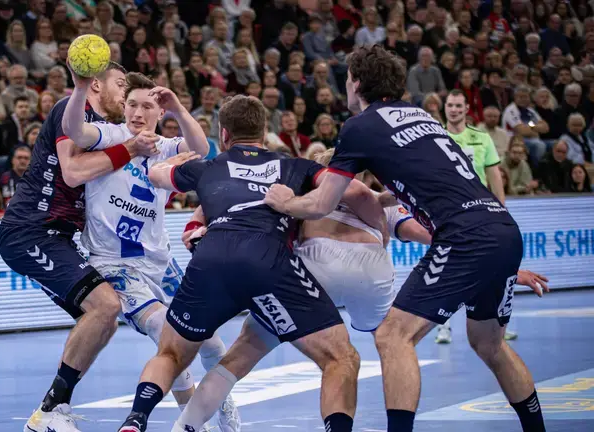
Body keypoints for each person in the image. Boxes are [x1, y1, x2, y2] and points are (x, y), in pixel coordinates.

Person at [263, 45, 547, 432]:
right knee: (489, 344)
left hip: (465, 237)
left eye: (347, 80)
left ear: (356, 83)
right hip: (502, 229)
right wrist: (382, 197)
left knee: (393, 336)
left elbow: (320, 204)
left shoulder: (360, 126)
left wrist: (285, 202)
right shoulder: (423, 118)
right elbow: (428, 180)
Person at [174, 151, 550, 432]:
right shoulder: (374, 202)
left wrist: (202, 230)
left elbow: (243, 218)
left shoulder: (298, 195)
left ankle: (186, 425)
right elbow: (434, 237)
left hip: (315, 264)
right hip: (371, 270)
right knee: (394, 341)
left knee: (247, 349)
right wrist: (504, 268)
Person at [116, 95, 377, 432]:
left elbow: (156, 175)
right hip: (268, 264)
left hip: (211, 261)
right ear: (264, 131)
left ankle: (135, 420)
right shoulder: (295, 167)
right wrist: (381, 224)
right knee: (341, 357)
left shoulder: (208, 168)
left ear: (224, 134)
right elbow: (355, 192)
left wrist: (172, 165)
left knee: (170, 354)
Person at [70, 72, 239, 431]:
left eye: (148, 106)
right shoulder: (110, 136)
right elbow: (74, 131)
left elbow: (203, 148)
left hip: (160, 263)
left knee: (209, 340)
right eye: (132, 104)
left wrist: (177, 107)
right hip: (114, 264)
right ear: (124, 107)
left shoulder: (165, 145)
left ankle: (225, 403)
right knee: (166, 331)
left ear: (159, 113)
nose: (138, 112)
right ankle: (195, 420)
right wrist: (80, 87)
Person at [0, 61, 160, 432]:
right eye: (121, 84)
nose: (126, 94)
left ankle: (52, 411)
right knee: (104, 306)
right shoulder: (71, 110)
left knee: (103, 321)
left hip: (59, 236)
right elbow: (72, 172)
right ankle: (50, 411)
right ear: (97, 85)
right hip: (30, 231)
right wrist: (132, 148)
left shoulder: (107, 131)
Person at [439, 89, 513, 344]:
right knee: (445, 268)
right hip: (448, 212)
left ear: (466, 109)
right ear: (444, 108)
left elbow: (494, 177)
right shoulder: (436, 137)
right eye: (450, 105)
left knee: (493, 267)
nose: (454, 110)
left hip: (481, 212)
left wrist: (502, 211)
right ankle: (443, 326)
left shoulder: (482, 139)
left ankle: (497, 323)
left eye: (458, 106)